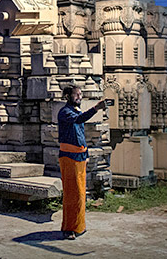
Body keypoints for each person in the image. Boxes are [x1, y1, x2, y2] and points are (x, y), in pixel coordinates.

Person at [58, 85, 106, 240]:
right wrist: (96, 108)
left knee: (80, 194)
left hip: (79, 157)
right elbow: (80, 119)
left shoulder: (75, 111)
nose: (80, 97)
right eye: (76, 94)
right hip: (69, 157)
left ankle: (79, 226)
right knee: (72, 194)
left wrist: (85, 153)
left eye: (80, 94)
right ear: (68, 97)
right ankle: (68, 229)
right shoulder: (65, 112)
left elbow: (80, 133)